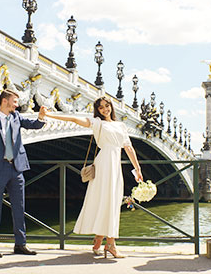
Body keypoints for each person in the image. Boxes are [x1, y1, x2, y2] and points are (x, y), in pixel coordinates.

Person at [43, 96, 143, 258]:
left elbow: (129, 148)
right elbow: (75, 119)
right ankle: (110, 244)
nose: (105, 109)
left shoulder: (121, 125)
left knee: (113, 201)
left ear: (111, 106)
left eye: (107, 106)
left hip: (115, 165)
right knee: (104, 200)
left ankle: (98, 240)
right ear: (98, 110)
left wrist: (137, 168)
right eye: (101, 107)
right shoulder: (98, 123)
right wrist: (50, 115)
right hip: (104, 164)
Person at [0, 89, 47, 258]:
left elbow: (34, 125)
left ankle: (20, 244)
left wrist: (41, 117)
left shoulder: (16, 117)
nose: (17, 104)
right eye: (15, 101)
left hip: (17, 169)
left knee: (19, 208)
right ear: (5, 101)